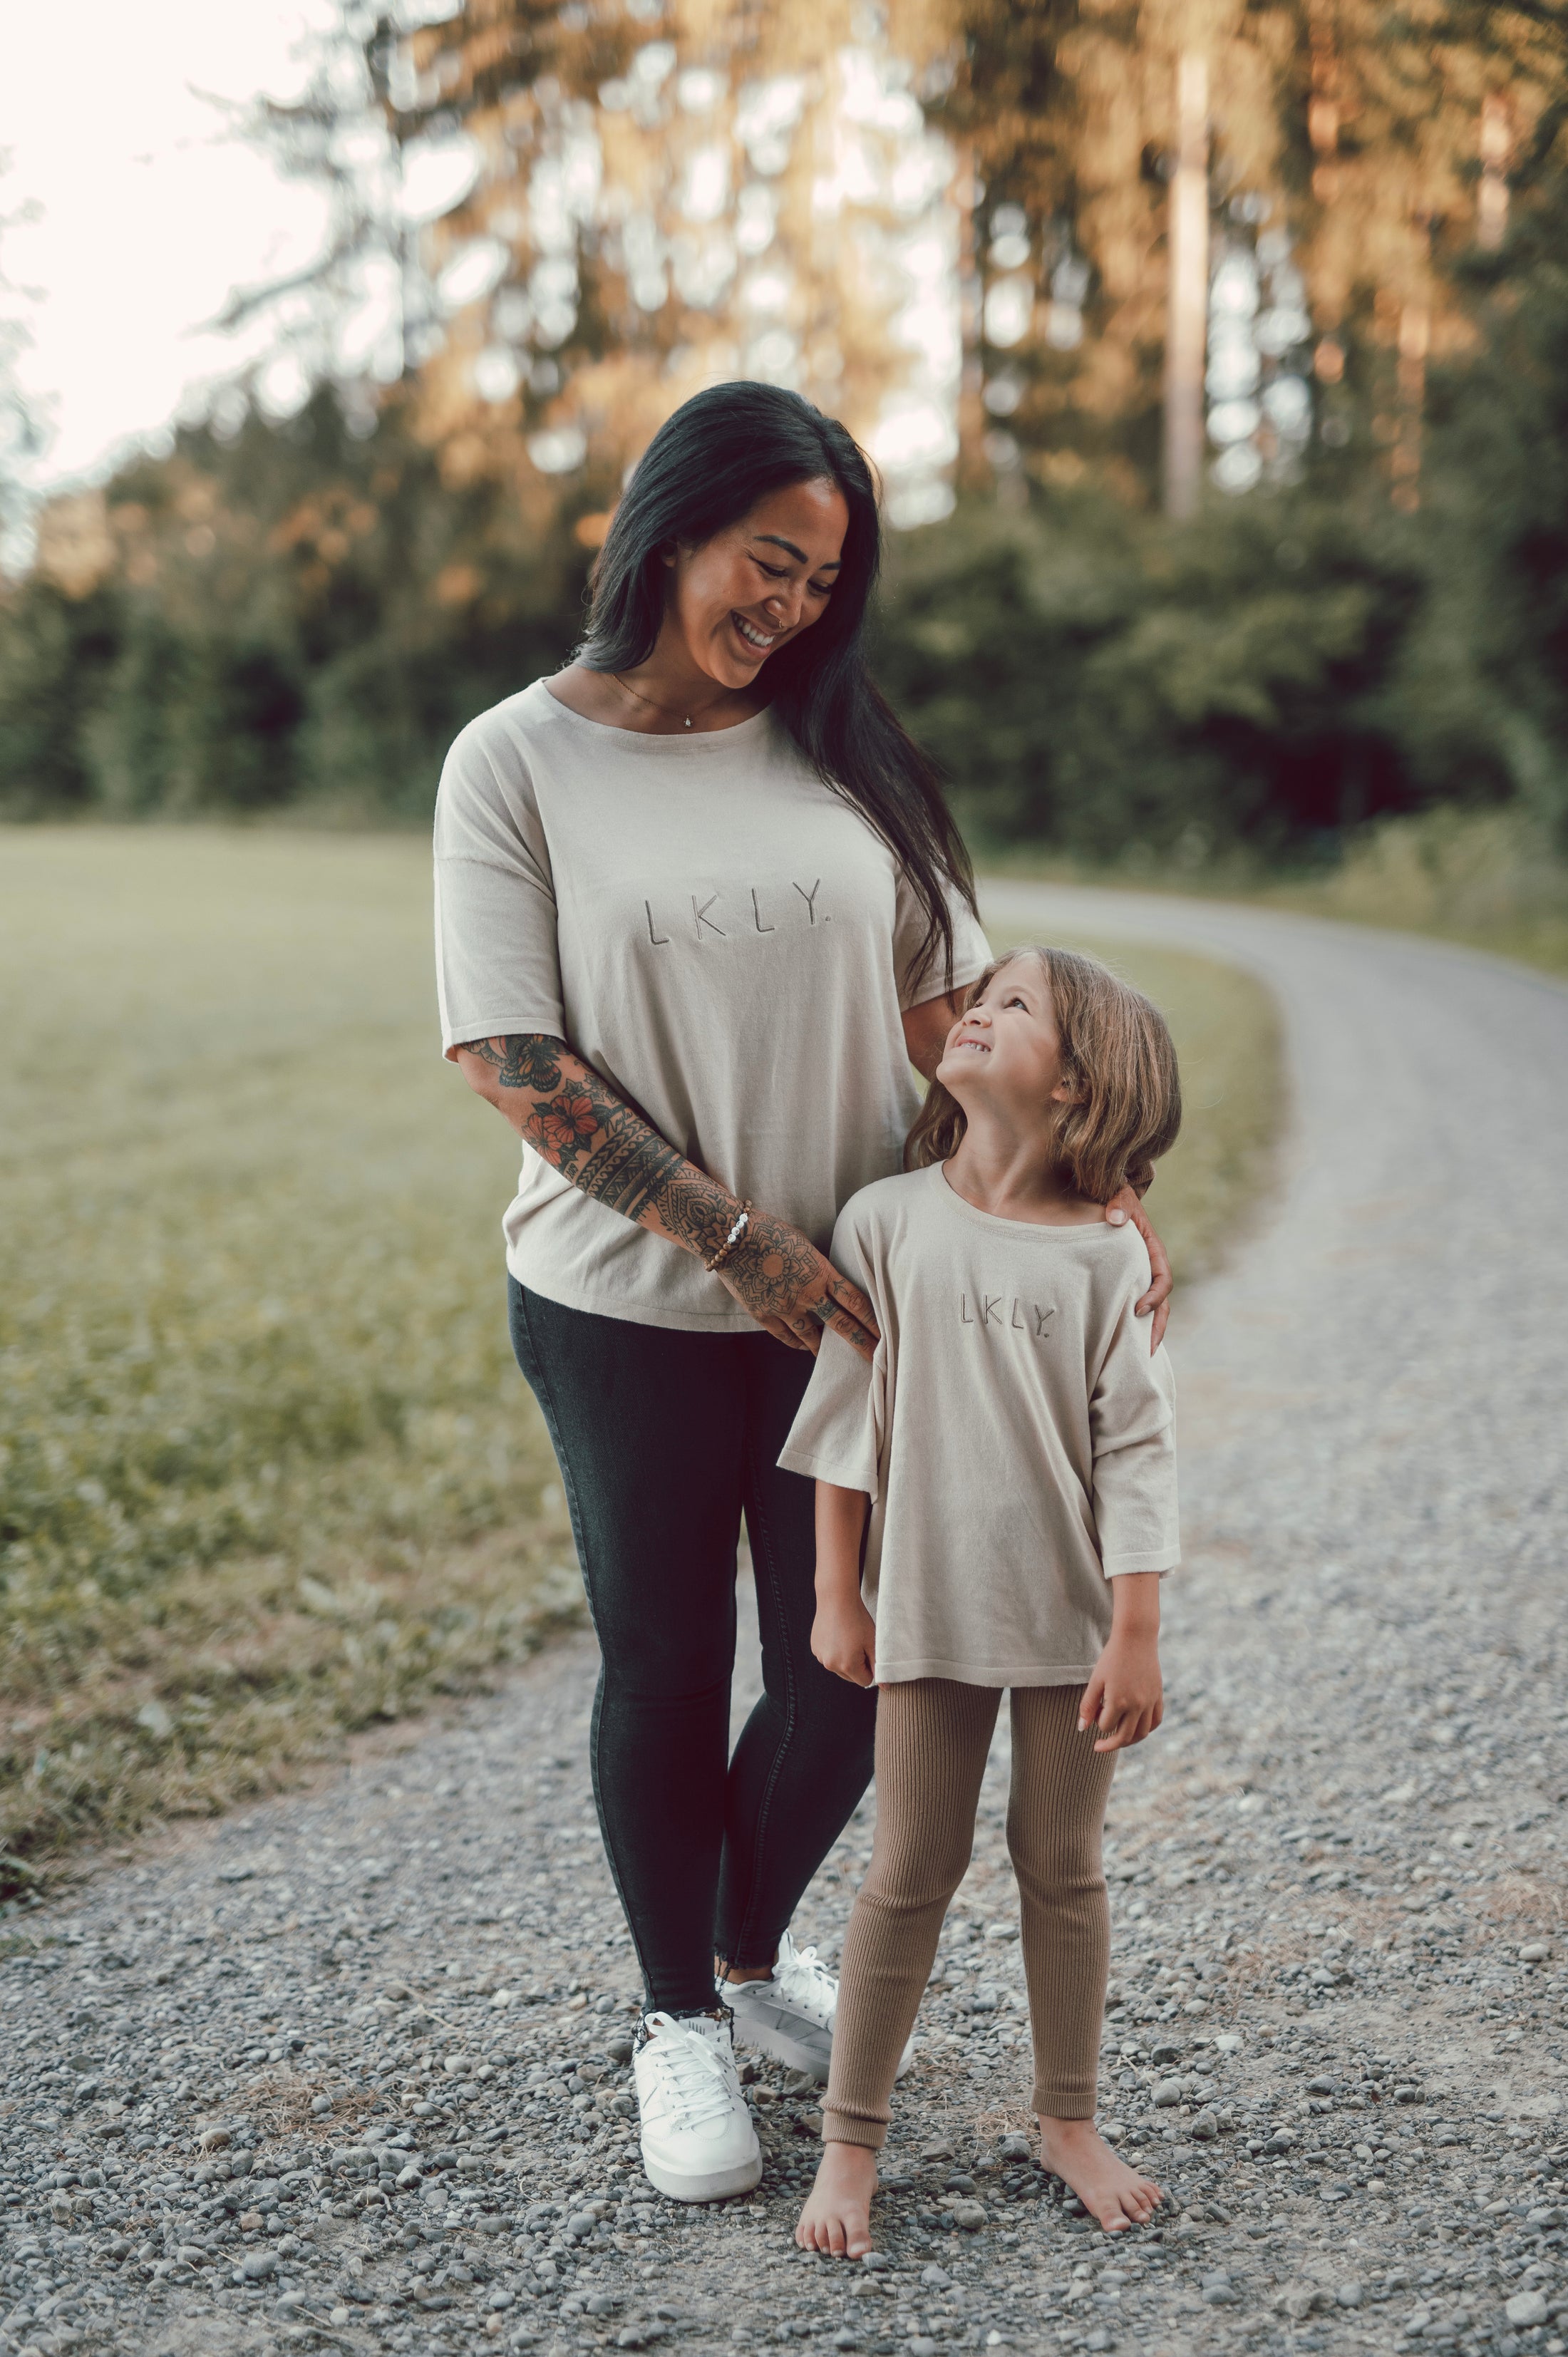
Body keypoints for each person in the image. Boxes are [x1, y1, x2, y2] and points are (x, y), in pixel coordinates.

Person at [432, 381, 1173, 2207]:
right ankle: (673, 2016)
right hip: (623, 1308)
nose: (790, 606)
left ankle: (746, 1951)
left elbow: (955, 1022)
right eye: (770, 561)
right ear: (669, 528)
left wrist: (1096, 1184)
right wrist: (735, 1239)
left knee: (861, 1668)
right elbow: (508, 1053)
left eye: (825, 578)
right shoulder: (515, 760)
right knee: (670, 1662)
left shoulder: (845, 752)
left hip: (869, 1309)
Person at [783, 945, 1181, 2254]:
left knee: (1061, 1868)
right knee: (908, 1871)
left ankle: (1067, 2118)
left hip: (1074, 1625)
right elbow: (843, 1421)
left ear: (1075, 1087)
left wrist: (1136, 1629)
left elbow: (1135, 1449)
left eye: (1015, 1007)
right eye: (980, 994)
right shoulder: (885, 1221)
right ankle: (853, 2140)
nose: (974, 1013)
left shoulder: (1106, 1259)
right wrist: (837, 1594)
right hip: (928, 1617)